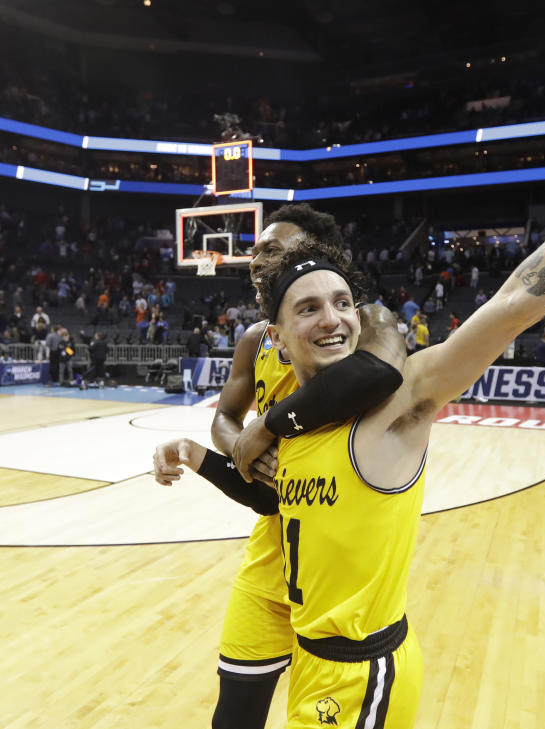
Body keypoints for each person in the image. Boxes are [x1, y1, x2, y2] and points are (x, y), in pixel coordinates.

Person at [159, 42, 545, 728]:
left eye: (343, 301)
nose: (333, 317)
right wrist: (197, 452)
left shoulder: (402, 398)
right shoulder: (295, 419)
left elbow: (521, 297)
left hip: (359, 675)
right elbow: (270, 498)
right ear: (278, 335)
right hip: (312, 656)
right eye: (309, 307)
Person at [155, 203, 408, 729]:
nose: (255, 260)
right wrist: (239, 447)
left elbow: (376, 375)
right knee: (236, 711)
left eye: (272, 249)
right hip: (273, 543)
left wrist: (267, 426)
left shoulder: (366, 320)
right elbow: (224, 419)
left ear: (312, 252)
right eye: (254, 251)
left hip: (333, 553)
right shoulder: (258, 337)